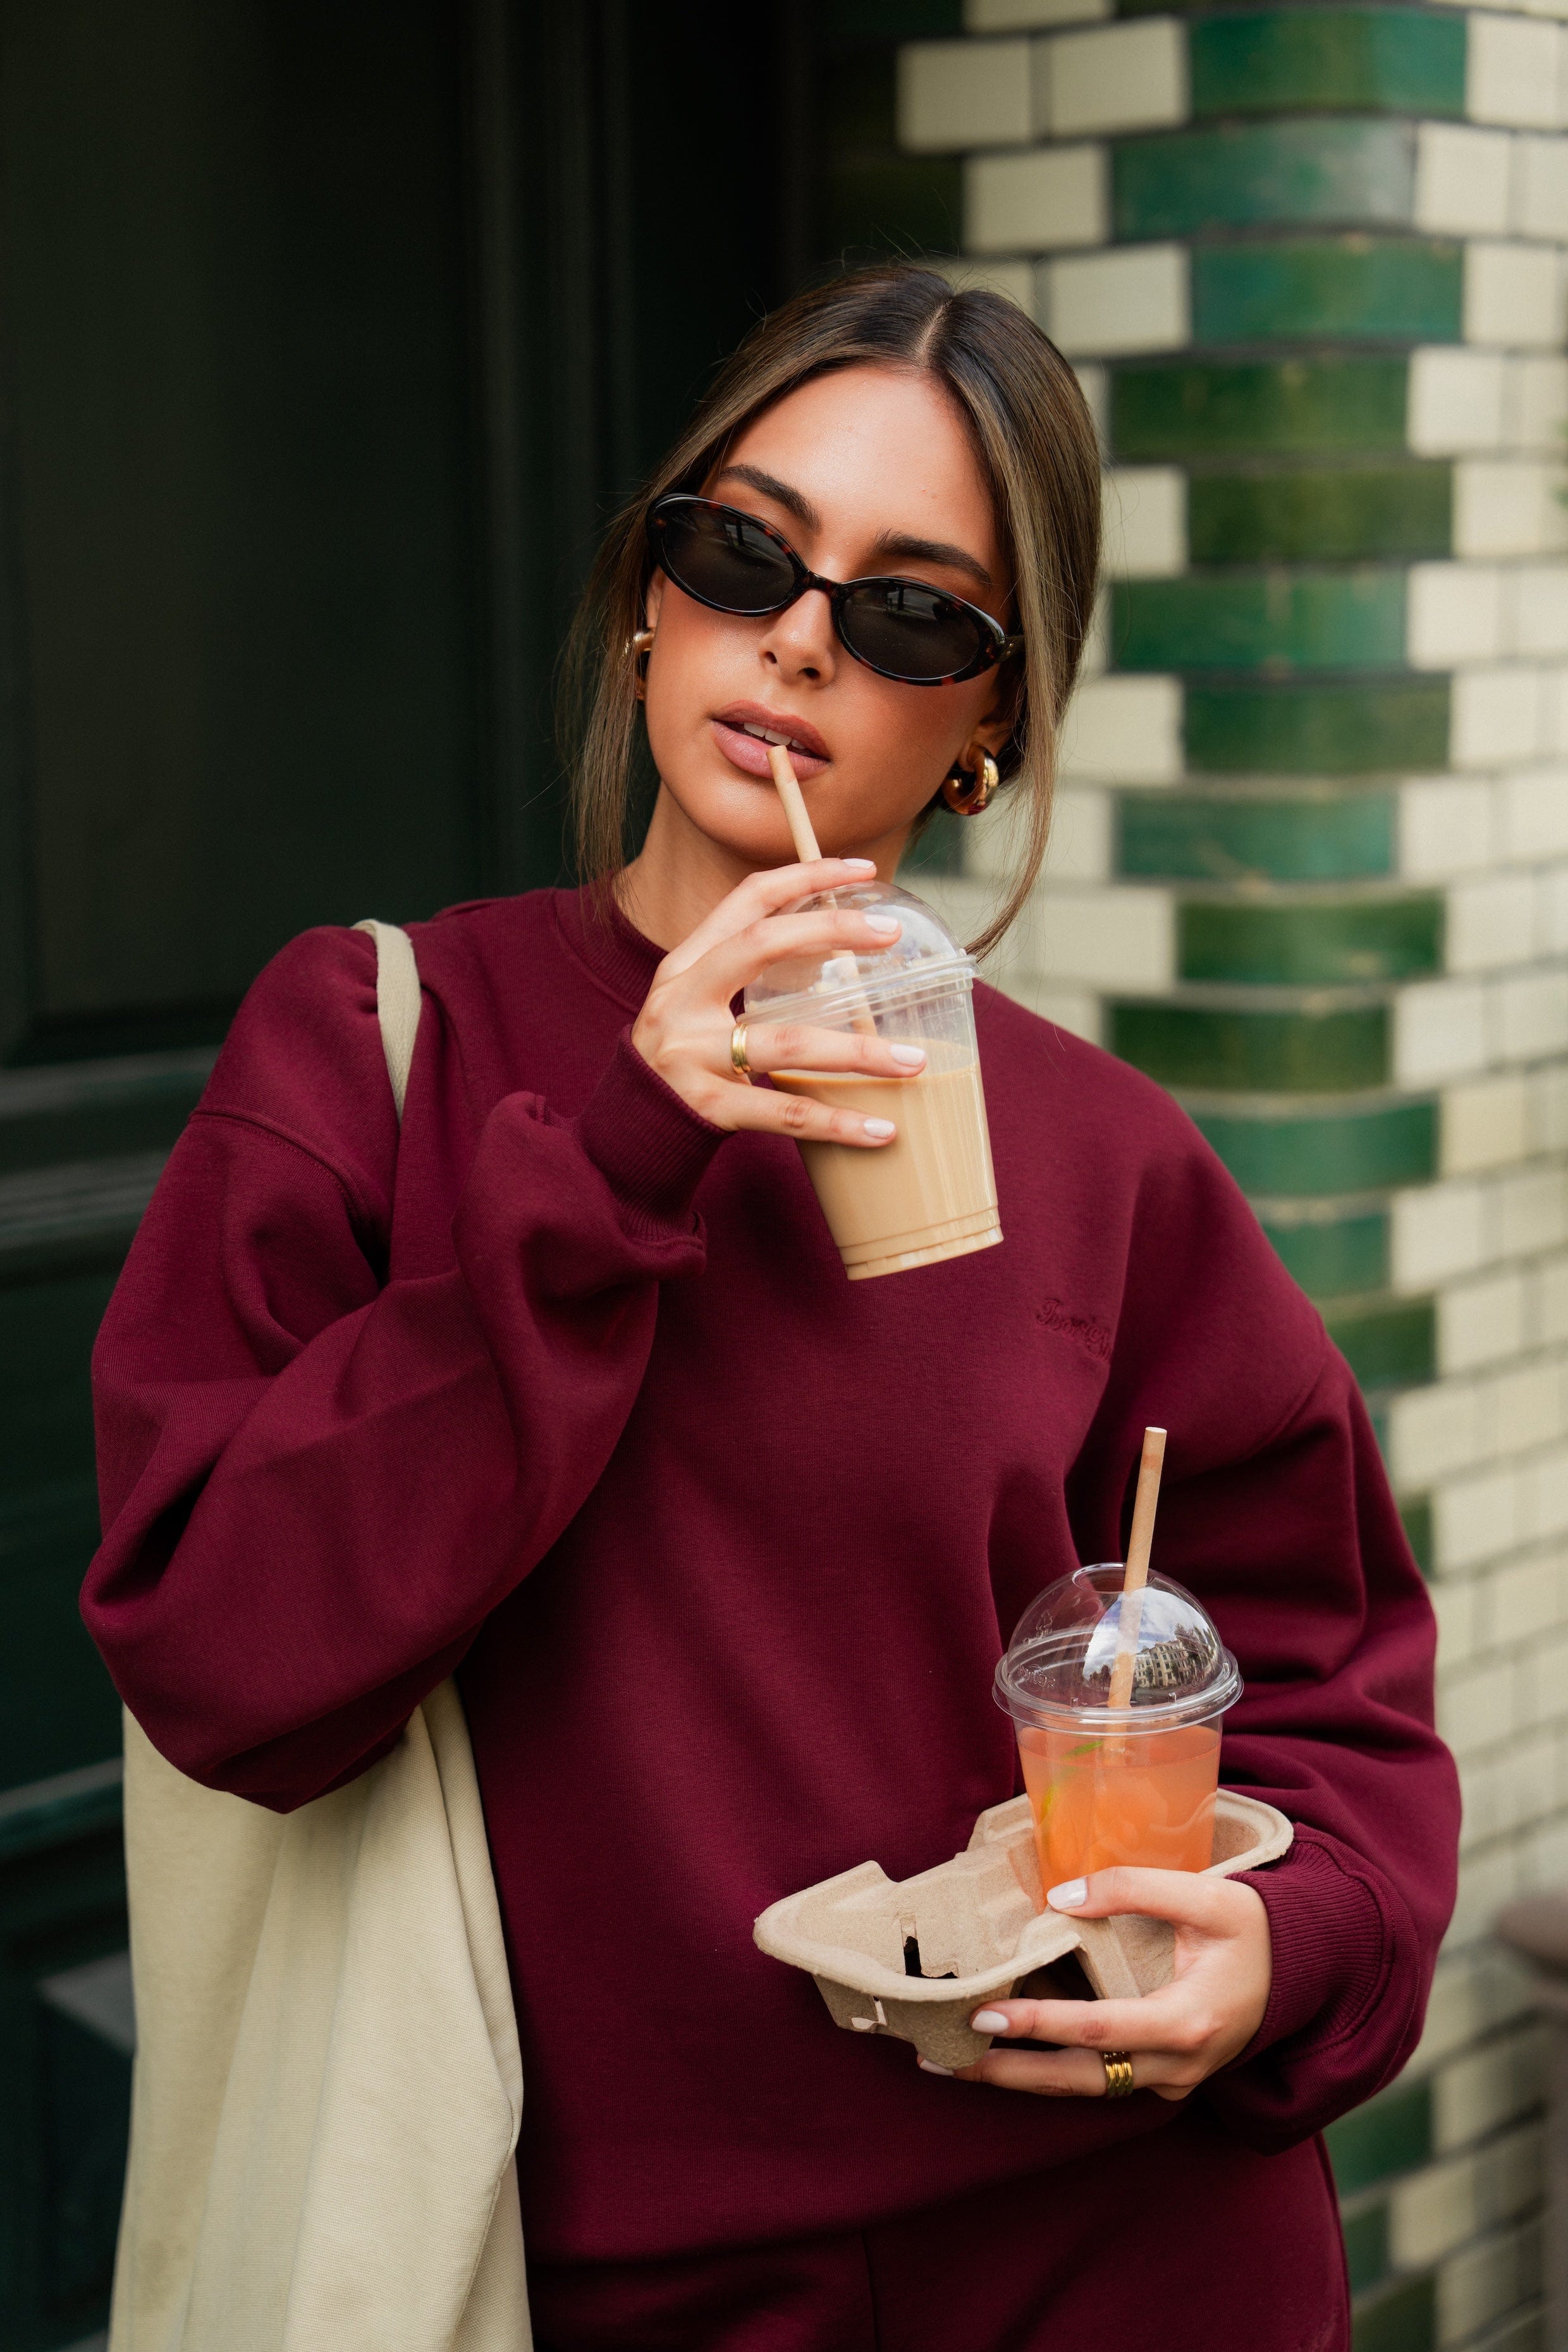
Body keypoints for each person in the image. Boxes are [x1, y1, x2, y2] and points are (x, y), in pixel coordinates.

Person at [84, 264, 1458, 2352]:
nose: (802, 635)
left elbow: (1328, 1681)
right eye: (744, 553)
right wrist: (627, 1146)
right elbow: (220, 1660)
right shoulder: (378, 1045)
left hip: (1120, 2249)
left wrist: (1292, 1947)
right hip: (592, 2276)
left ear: (988, 722)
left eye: (915, 611)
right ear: (653, 598)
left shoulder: (1103, 1156)